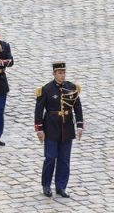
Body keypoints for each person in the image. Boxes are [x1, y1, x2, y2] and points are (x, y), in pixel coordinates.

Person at [35, 62, 83, 199]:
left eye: (63, 73)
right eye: (60, 73)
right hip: (51, 127)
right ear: (54, 74)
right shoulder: (46, 89)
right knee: (50, 157)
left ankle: (61, 186)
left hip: (67, 128)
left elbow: (77, 107)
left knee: (64, 159)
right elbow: (39, 111)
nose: (62, 75)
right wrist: (39, 129)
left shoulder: (72, 87)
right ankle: (46, 185)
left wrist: (79, 125)